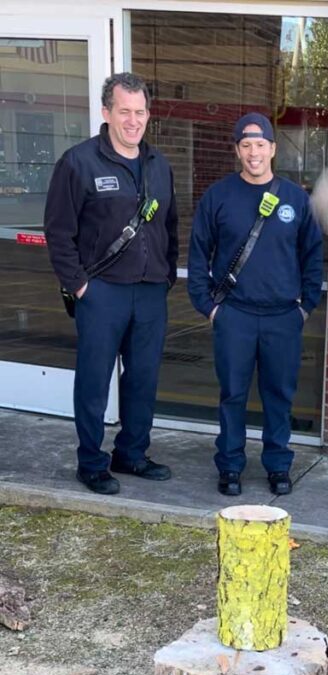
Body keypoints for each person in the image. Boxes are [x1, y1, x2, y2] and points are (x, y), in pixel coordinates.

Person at [44, 72, 178, 495]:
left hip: (150, 291)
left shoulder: (159, 166)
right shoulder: (79, 162)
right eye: (125, 112)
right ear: (107, 113)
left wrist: (166, 274)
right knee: (94, 380)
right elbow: (58, 232)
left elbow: (170, 228)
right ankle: (91, 462)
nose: (133, 120)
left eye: (140, 112)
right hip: (101, 293)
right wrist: (81, 286)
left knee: (143, 378)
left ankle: (132, 454)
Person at [187, 113, 323, 497]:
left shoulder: (295, 199)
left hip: (283, 316)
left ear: (273, 149)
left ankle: (278, 465)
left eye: (260, 144)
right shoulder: (219, 196)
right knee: (232, 394)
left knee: (279, 395)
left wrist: (305, 306)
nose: (253, 152)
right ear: (236, 150)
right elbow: (198, 254)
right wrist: (209, 307)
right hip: (235, 315)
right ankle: (230, 466)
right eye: (246, 145)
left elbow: (313, 255)